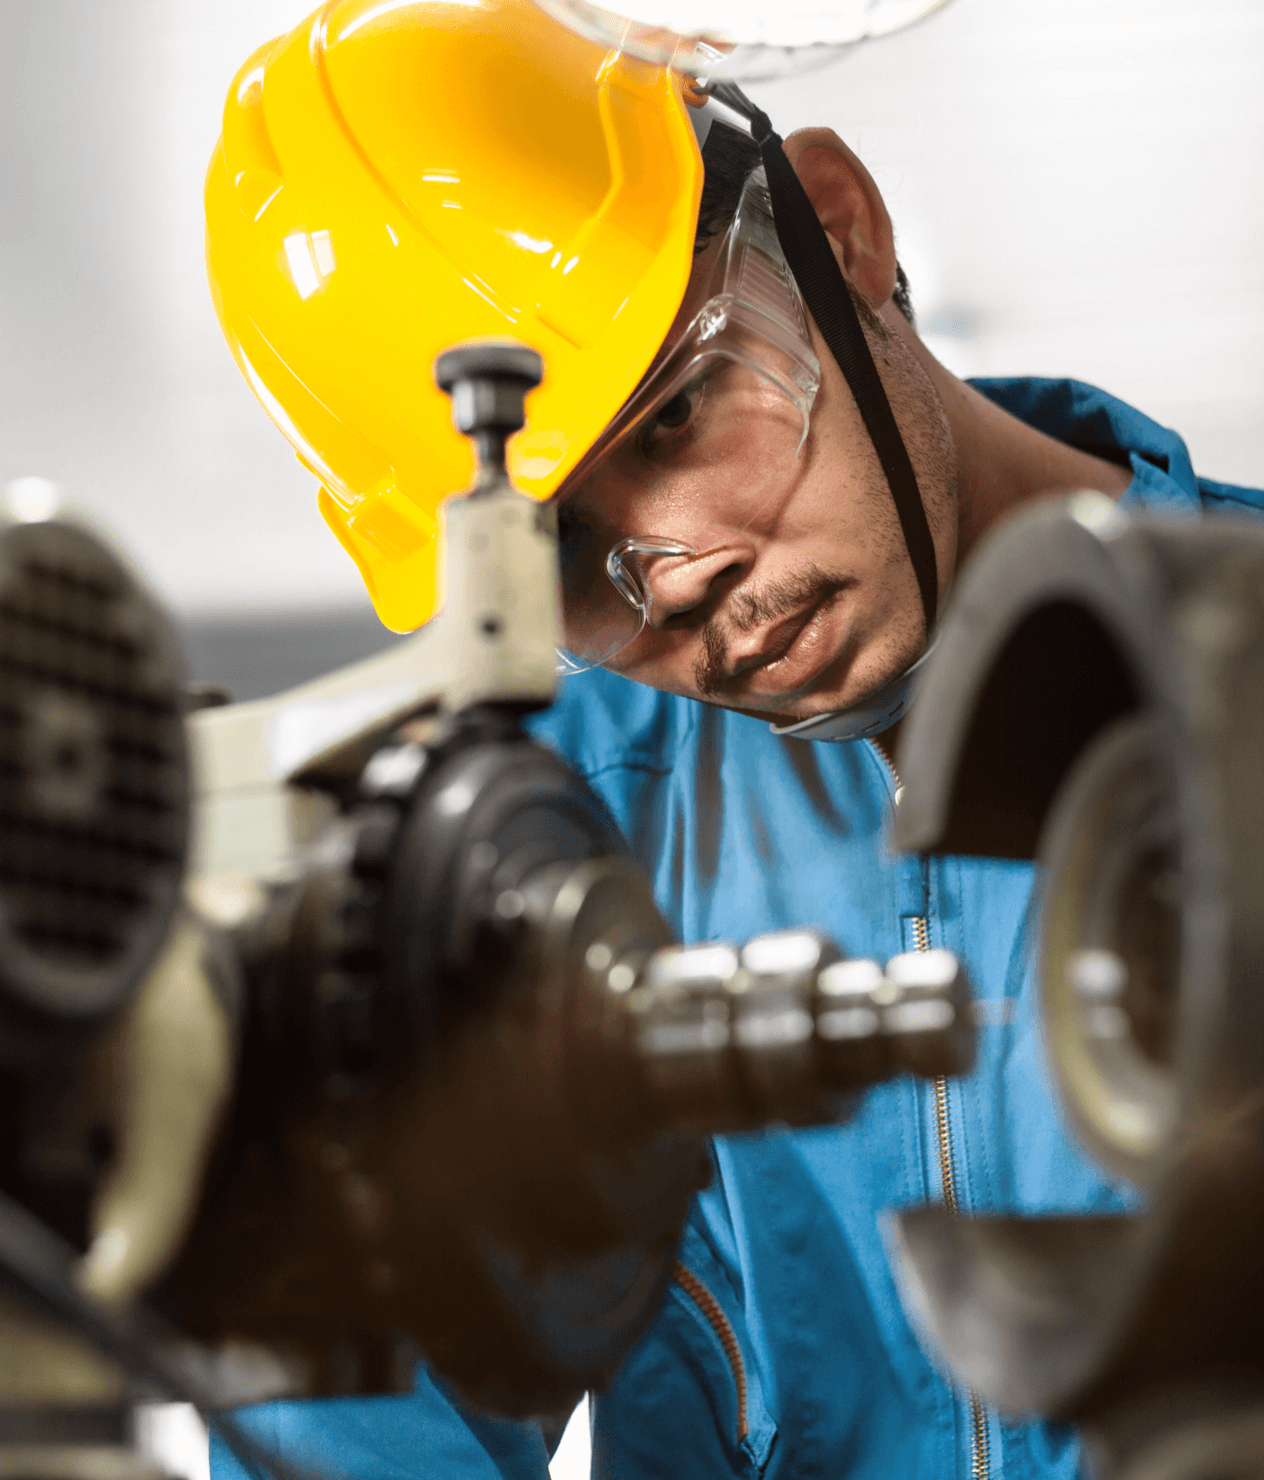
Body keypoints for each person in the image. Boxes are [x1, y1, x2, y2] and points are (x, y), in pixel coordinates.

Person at [204, 1, 1264, 1476]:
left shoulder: (1248, 680)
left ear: (839, 230)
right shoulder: (529, 838)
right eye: (563, 546)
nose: (676, 571)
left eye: (683, 409)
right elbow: (345, 1395)